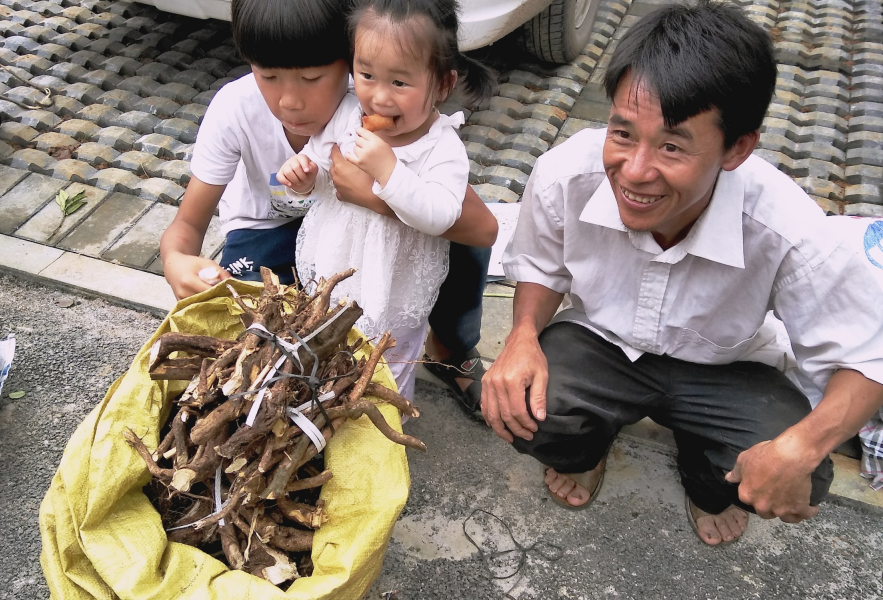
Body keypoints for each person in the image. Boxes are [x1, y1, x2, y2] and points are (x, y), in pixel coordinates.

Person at [481, 0, 883, 546]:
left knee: (803, 476)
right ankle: (587, 449)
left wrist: (802, 445)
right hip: (602, 343)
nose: (635, 170)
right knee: (524, 406)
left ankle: (703, 476)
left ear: (736, 149)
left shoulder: (788, 228)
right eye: (622, 133)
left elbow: (866, 356)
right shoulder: (564, 175)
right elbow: (539, 263)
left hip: (727, 366)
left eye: (672, 145)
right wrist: (522, 336)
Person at [159, 0, 497, 406]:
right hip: (271, 233)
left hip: (382, 232)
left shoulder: (378, 98)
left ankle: (449, 348)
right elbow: (187, 226)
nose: (289, 102)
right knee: (259, 345)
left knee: (447, 263)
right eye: (267, 75)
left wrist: (373, 196)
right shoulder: (236, 109)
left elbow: (481, 228)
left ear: (347, 64)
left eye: (312, 77)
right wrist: (176, 259)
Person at [276, 0, 496, 398]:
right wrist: (303, 178)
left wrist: (388, 171)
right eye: (366, 75)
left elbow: (442, 214)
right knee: (325, 334)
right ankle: (322, 404)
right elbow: (320, 163)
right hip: (338, 259)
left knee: (392, 353)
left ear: (442, 85)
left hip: (399, 276)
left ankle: (386, 418)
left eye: (399, 82)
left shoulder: (441, 147)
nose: (378, 97)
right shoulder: (346, 113)